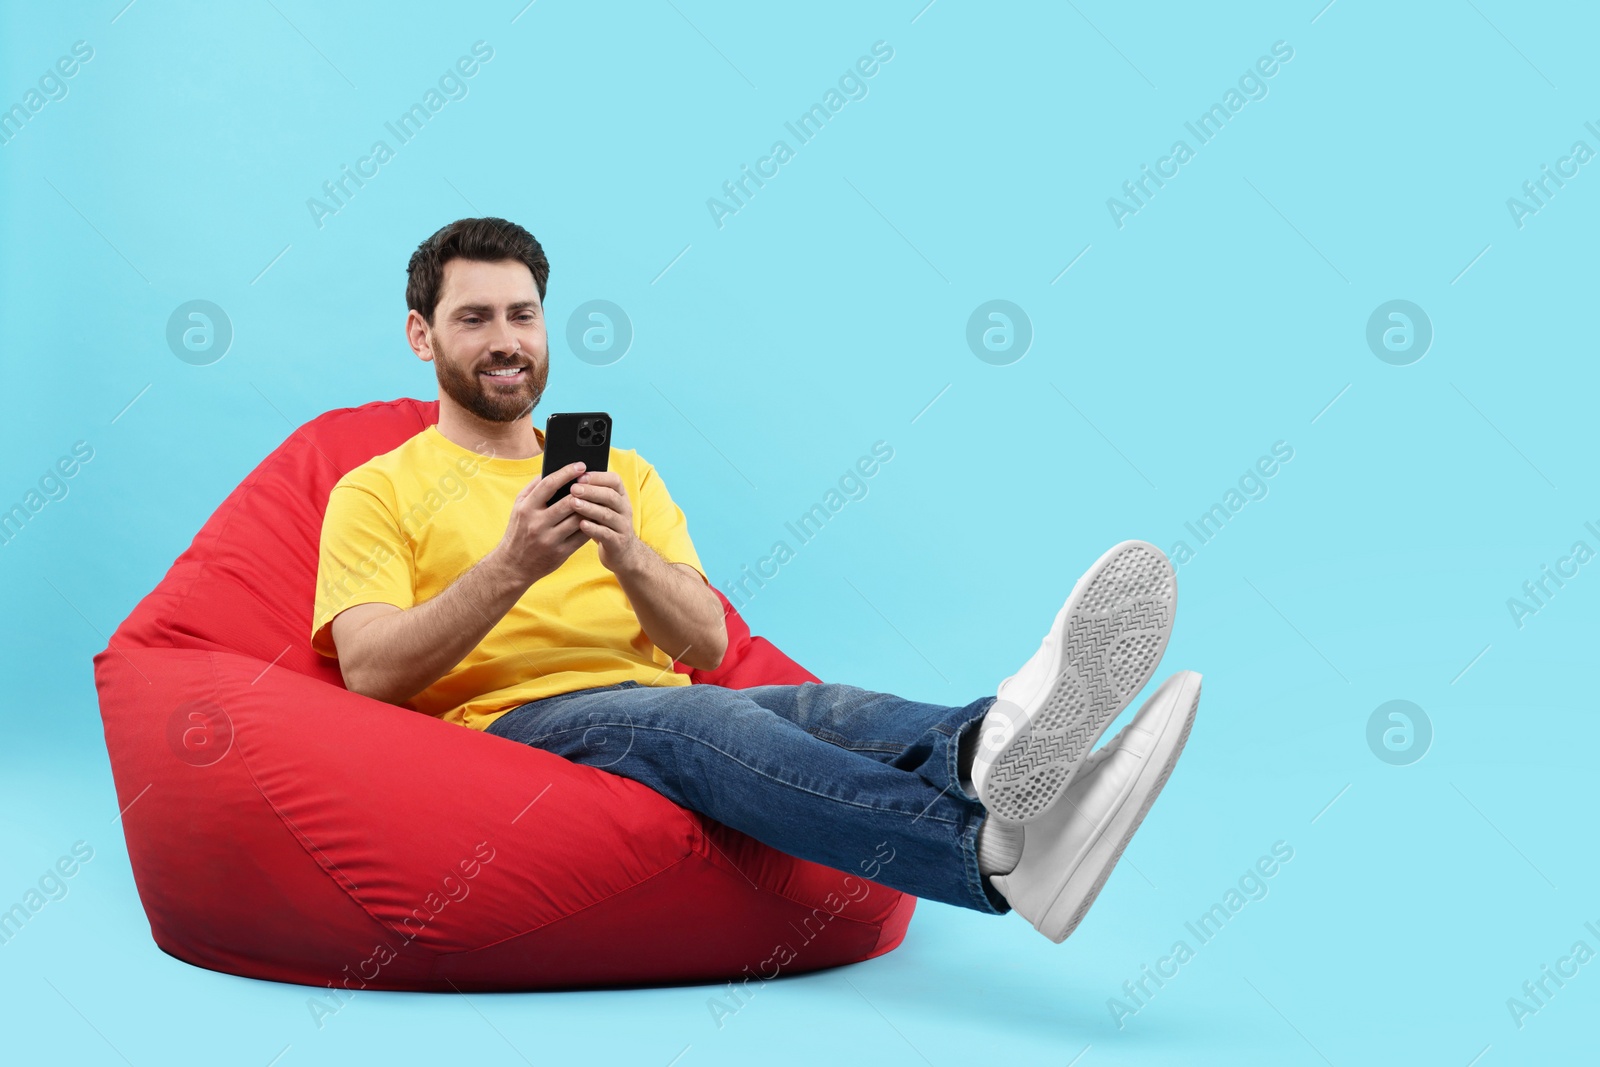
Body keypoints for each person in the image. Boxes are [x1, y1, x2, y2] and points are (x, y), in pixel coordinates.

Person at [311, 217, 1201, 942]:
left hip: (642, 693)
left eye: (524, 315)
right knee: (703, 719)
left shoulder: (624, 473)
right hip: (509, 727)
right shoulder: (377, 489)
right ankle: (994, 851)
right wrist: (511, 567)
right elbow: (371, 670)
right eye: (475, 319)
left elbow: (703, 643)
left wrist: (627, 555)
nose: (507, 342)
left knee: (824, 708)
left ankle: (990, 749)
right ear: (420, 335)